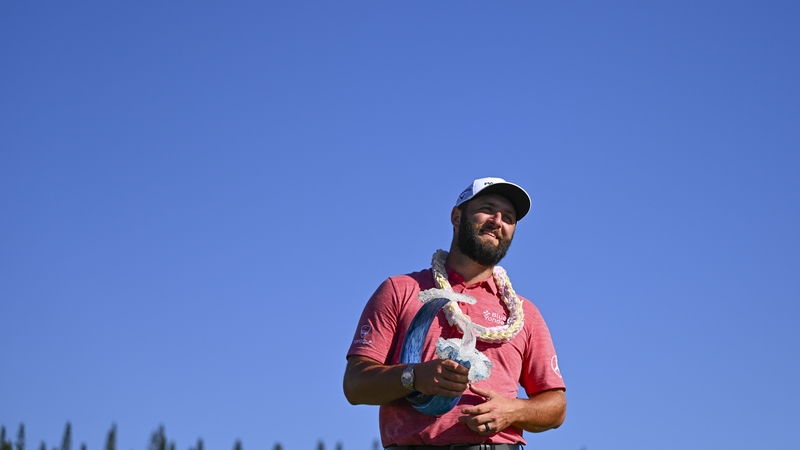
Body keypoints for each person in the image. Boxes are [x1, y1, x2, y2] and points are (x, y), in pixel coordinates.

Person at [343, 177, 566, 450]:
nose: (498, 221)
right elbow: (355, 384)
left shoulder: (524, 313)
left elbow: (556, 406)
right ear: (456, 216)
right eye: (487, 208)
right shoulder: (399, 290)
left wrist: (514, 411)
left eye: (508, 217)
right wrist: (414, 377)